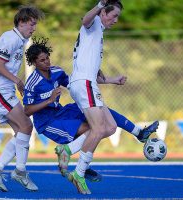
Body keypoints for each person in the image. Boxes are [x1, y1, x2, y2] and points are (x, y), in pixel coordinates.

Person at [21, 37, 158, 191]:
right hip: (48, 123)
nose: (46, 62)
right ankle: (81, 166)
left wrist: (112, 80)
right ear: (34, 62)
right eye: (42, 60)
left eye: (47, 58)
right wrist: (49, 100)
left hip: (62, 111)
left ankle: (139, 132)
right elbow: (27, 111)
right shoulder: (33, 82)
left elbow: (78, 82)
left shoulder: (57, 71)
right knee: (93, 129)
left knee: (99, 110)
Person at [67, 0, 158, 194]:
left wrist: (112, 80)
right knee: (99, 128)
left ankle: (67, 151)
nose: (115, 20)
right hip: (83, 84)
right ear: (103, 12)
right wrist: (100, 4)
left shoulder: (97, 35)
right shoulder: (95, 24)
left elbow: (93, 72)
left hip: (85, 83)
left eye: (118, 16)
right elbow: (85, 20)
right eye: (114, 15)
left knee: (109, 127)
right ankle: (79, 172)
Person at [0, 5, 44, 192]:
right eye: (31, 24)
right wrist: (18, 80)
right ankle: (19, 171)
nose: (33, 28)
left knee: (22, 132)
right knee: (26, 126)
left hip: (4, 90)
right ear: (21, 22)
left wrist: (16, 84)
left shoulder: (19, 41)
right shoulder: (10, 38)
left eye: (35, 25)